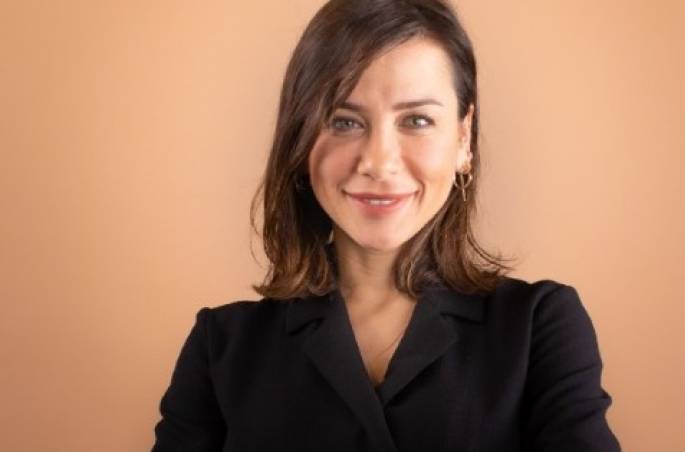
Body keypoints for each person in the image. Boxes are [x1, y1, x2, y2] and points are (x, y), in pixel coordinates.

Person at [151, 0, 621, 450]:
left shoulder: (539, 327)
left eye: (416, 120)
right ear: (301, 138)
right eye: (344, 121)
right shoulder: (222, 346)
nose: (378, 162)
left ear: (463, 139)